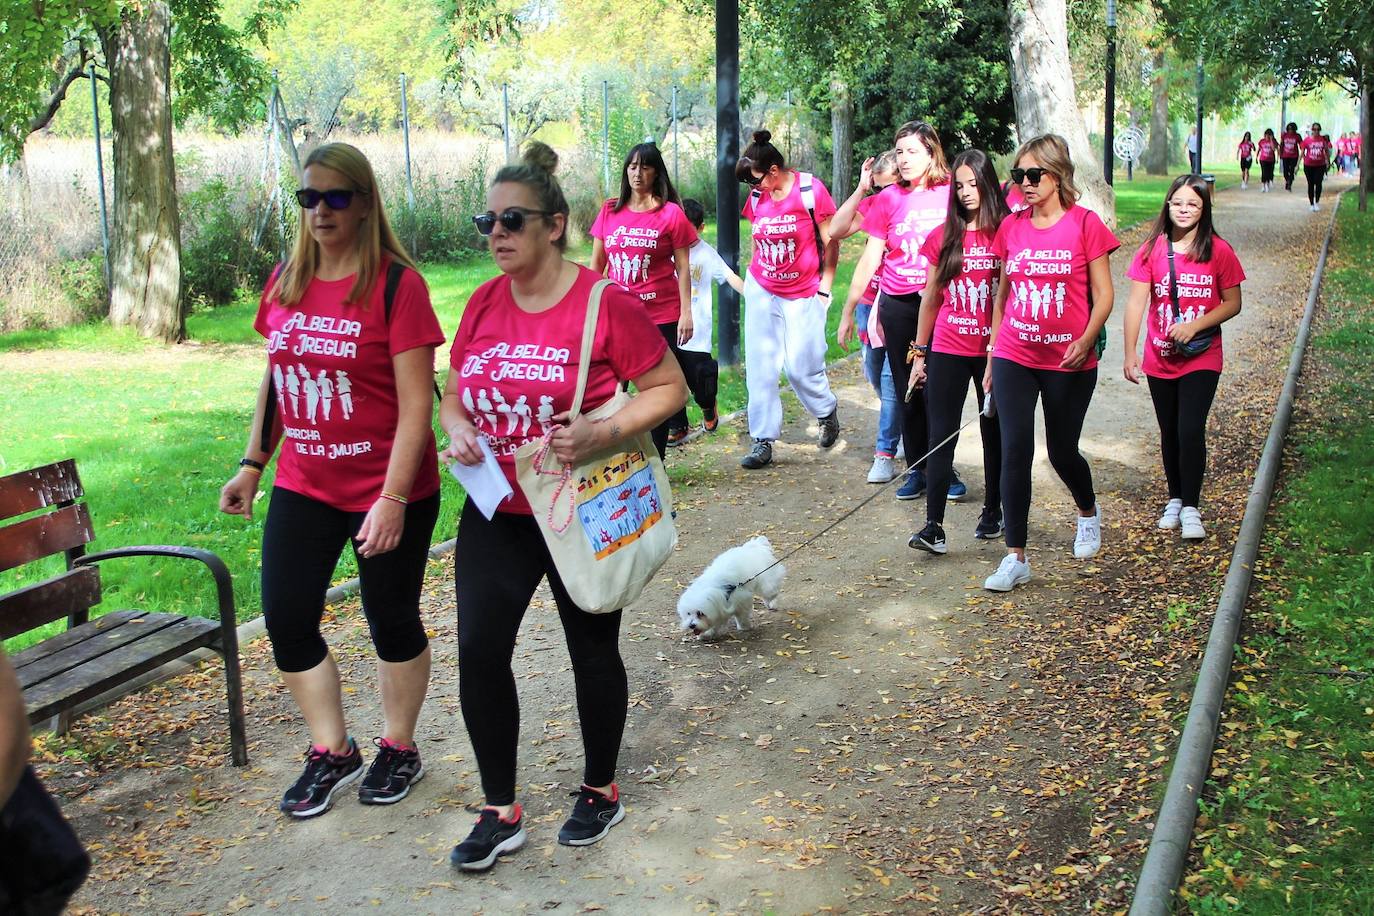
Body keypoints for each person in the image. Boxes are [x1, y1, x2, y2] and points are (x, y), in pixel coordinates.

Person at [440, 142, 687, 871]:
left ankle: (599, 788)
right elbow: (456, 390)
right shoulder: (483, 301)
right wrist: (456, 427)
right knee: (481, 653)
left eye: (512, 219)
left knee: (591, 650)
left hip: (581, 503)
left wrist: (601, 431)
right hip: (499, 511)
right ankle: (500, 810)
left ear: (555, 223)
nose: (496, 233)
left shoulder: (604, 304)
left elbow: (668, 387)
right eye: (486, 220)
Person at [219, 142, 444, 818]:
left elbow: (416, 407)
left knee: (390, 619)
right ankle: (332, 750)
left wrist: (394, 498)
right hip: (305, 481)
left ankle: (398, 747)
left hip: (388, 485)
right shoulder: (287, 277)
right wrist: (254, 463)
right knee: (288, 618)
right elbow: (278, 375)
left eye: (335, 197)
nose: (320, 209)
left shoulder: (397, 286)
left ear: (366, 203)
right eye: (308, 197)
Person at [981, 134, 1118, 592]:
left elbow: (1104, 295)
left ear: (1058, 176)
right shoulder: (1011, 227)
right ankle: (1015, 555)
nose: (1025, 184)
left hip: (1068, 360)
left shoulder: (1085, 224)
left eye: (1034, 175)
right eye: (1019, 176)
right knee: (1014, 449)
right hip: (1016, 355)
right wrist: (994, 351)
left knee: (1061, 451)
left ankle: (1086, 509)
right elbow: (1002, 294)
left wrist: (1085, 339)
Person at [1123, 175, 1244, 540]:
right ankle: (1174, 498)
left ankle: (1191, 506)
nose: (1184, 210)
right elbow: (1135, 303)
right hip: (1159, 356)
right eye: (1177, 203)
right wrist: (1129, 351)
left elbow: (1234, 303)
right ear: (1167, 205)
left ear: (1204, 209)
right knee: (1169, 431)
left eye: (1192, 204)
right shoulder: (1151, 250)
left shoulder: (1218, 250)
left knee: (1190, 429)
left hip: (1202, 355)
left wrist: (1196, 326)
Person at [907, 149, 1009, 554]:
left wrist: (996, 350)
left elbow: (1009, 295)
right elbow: (931, 297)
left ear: (988, 184)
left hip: (993, 348)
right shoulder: (943, 236)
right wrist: (919, 354)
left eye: (973, 183)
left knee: (993, 430)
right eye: (960, 185)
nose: (966, 192)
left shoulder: (1007, 232)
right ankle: (934, 526)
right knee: (940, 433)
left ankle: (993, 510)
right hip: (949, 343)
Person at [852, 121, 958, 501]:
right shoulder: (888, 199)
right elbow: (870, 255)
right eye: (899, 152)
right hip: (899, 305)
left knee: (940, 389)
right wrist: (850, 306)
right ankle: (918, 469)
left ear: (932, 153)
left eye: (913, 151)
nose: (905, 159)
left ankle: (945, 468)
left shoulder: (951, 194)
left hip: (944, 304)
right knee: (907, 387)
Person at [735, 129, 842, 469]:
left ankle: (825, 410)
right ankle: (762, 439)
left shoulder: (810, 191)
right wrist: (753, 283)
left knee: (801, 368)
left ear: (774, 170)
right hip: (763, 288)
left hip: (802, 292)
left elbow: (832, 241)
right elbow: (756, 238)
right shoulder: (756, 199)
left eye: (757, 182)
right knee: (761, 367)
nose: (754, 190)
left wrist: (826, 286)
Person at [590, 142, 698, 457]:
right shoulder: (610, 210)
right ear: (626, 171)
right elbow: (596, 267)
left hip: (659, 317)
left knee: (654, 392)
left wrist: (686, 313)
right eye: (633, 166)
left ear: (656, 172)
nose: (638, 173)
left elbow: (682, 266)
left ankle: (655, 459)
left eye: (645, 167)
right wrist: (589, 307)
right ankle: (613, 458)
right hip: (615, 317)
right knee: (608, 391)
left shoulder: (670, 213)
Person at [834, 149, 904, 483]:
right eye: (879, 188)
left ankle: (884, 453)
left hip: (899, 304)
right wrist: (863, 188)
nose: (884, 194)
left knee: (891, 382)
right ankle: (903, 421)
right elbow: (835, 229)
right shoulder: (875, 203)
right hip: (869, 303)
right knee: (875, 373)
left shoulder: (911, 206)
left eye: (888, 186)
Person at [666, 197, 745, 442]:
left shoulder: (705, 254)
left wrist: (754, 296)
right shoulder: (665, 250)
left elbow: (730, 277)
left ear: (700, 228)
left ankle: (708, 405)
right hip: (669, 323)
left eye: (687, 228)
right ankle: (677, 425)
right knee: (670, 375)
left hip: (696, 330)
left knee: (700, 379)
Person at [1301, 122, 1332, 211]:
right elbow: (1302, 152)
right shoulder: (1307, 140)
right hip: (1308, 165)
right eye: (1314, 129)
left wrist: (1328, 162)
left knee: (1318, 183)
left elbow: (1326, 151)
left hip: (1320, 165)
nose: (1316, 131)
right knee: (1310, 184)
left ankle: (1317, 202)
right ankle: (1311, 203)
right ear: (1312, 130)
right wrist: (1297, 165)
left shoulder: (1322, 140)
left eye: (1318, 129)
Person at [1279, 121, 1302, 191]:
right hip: (1285, 155)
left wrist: (1303, 151)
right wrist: (1280, 153)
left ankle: (1289, 183)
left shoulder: (1297, 136)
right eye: (1289, 129)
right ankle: (1287, 180)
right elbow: (1282, 144)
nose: (1290, 131)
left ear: (1294, 129)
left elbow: (1301, 145)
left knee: (1292, 170)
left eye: (1292, 129)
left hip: (1294, 156)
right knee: (1285, 171)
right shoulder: (1284, 135)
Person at [1256, 128, 1278, 192]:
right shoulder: (1262, 141)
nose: (1267, 137)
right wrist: (1256, 157)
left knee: (1269, 173)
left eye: (1269, 135)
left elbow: (1274, 149)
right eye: (1266, 135)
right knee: (1264, 172)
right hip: (1263, 159)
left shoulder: (1274, 141)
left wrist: (1271, 140)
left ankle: (1267, 185)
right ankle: (1263, 185)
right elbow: (1259, 149)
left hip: (1271, 160)